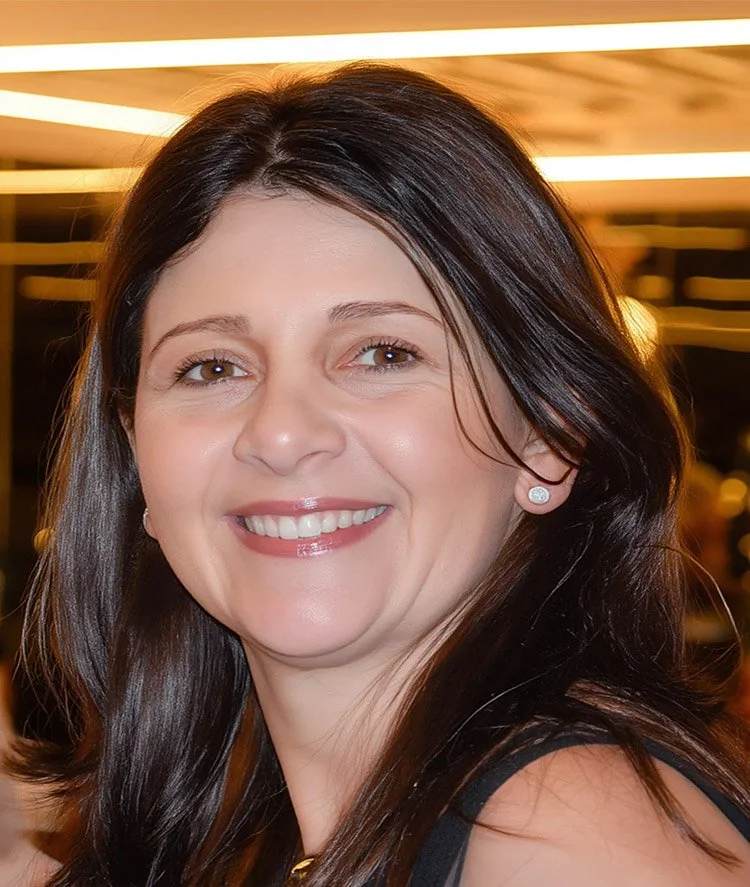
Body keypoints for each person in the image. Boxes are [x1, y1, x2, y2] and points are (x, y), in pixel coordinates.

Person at [10, 64, 750, 886]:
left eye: (383, 354)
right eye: (212, 367)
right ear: (136, 448)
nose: (282, 432)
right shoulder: (320, 829)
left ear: (550, 433)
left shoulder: (559, 837)